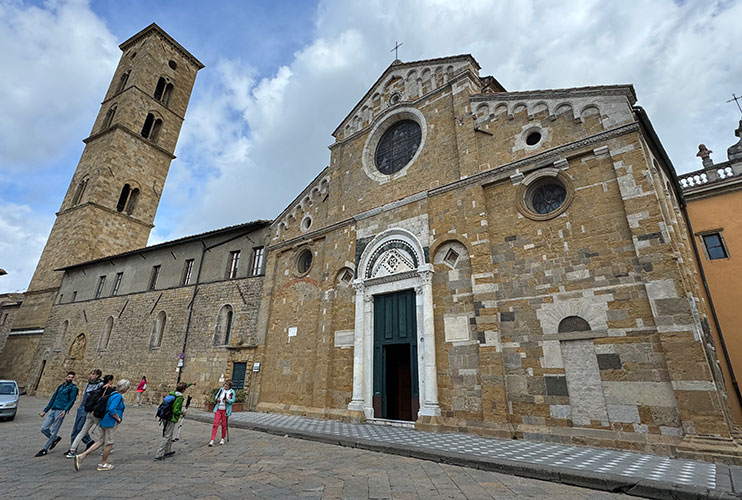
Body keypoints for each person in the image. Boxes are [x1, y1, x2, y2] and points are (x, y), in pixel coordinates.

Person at [74, 379, 129, 472]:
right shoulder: (118, 396)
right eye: (128, 387)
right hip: (110, 422)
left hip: (104, 420)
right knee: (109, 443)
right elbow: (112, 409)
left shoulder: (112, 394)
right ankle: (103, 464)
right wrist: (118, 418)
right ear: (125, 388)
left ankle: (81, 456)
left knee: (101, 441)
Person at [66, 374, 114, 458]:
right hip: (97, 414)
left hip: (89, 412)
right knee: (103, 433)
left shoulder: (99, 388)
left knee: (82, 432)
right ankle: (104, 449)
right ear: (110, 381)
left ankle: (72, 450)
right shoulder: (109, 390)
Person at [36, 371, 78, 457]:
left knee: (54, 430)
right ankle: (55, 439)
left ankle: (45, 448)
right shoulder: (61, 386)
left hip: (61, 410)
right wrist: (45, 410)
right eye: (69, 377)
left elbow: (72, 400)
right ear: (66, 377)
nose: (70, 378)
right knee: (44, 428)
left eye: (72, 377)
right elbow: (53, 398)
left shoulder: (73, 388)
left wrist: (65, 410)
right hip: (53, 409)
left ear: (73, 379)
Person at [65, 368, 103, 456]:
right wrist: (80, 405)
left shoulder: (100, 385)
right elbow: (84, 395)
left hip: (89, 408)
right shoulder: (88, 383)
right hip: (82, 407)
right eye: (91, 374)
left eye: (93, 374)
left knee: (80, 428)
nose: (91, 375)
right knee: (75, 428)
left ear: (97, 375)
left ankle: (76, 447)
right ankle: (75, 446)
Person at [154, 382, 188, 460]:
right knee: (167, 436)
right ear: (183, 390)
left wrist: (191, 384)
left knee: (169, 434)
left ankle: (167, 451)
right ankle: (159, 453)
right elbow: (175, 410)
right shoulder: (179, 398)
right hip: (171, 418)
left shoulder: (172, 394)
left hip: (164, 416)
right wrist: (182, 412)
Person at [209, 380, 235, 447]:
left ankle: (222, 438)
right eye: (225, 384)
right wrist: (217, 399)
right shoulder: (221, 390)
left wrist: (228, 400)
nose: (225, 386)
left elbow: (233, 400)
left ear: (230, 386)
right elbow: (216, 397)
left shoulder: (232, 392)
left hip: (225, 410)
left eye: (227, 385)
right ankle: (212, 439)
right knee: (215, 424)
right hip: (218, 409)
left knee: (224, 425)